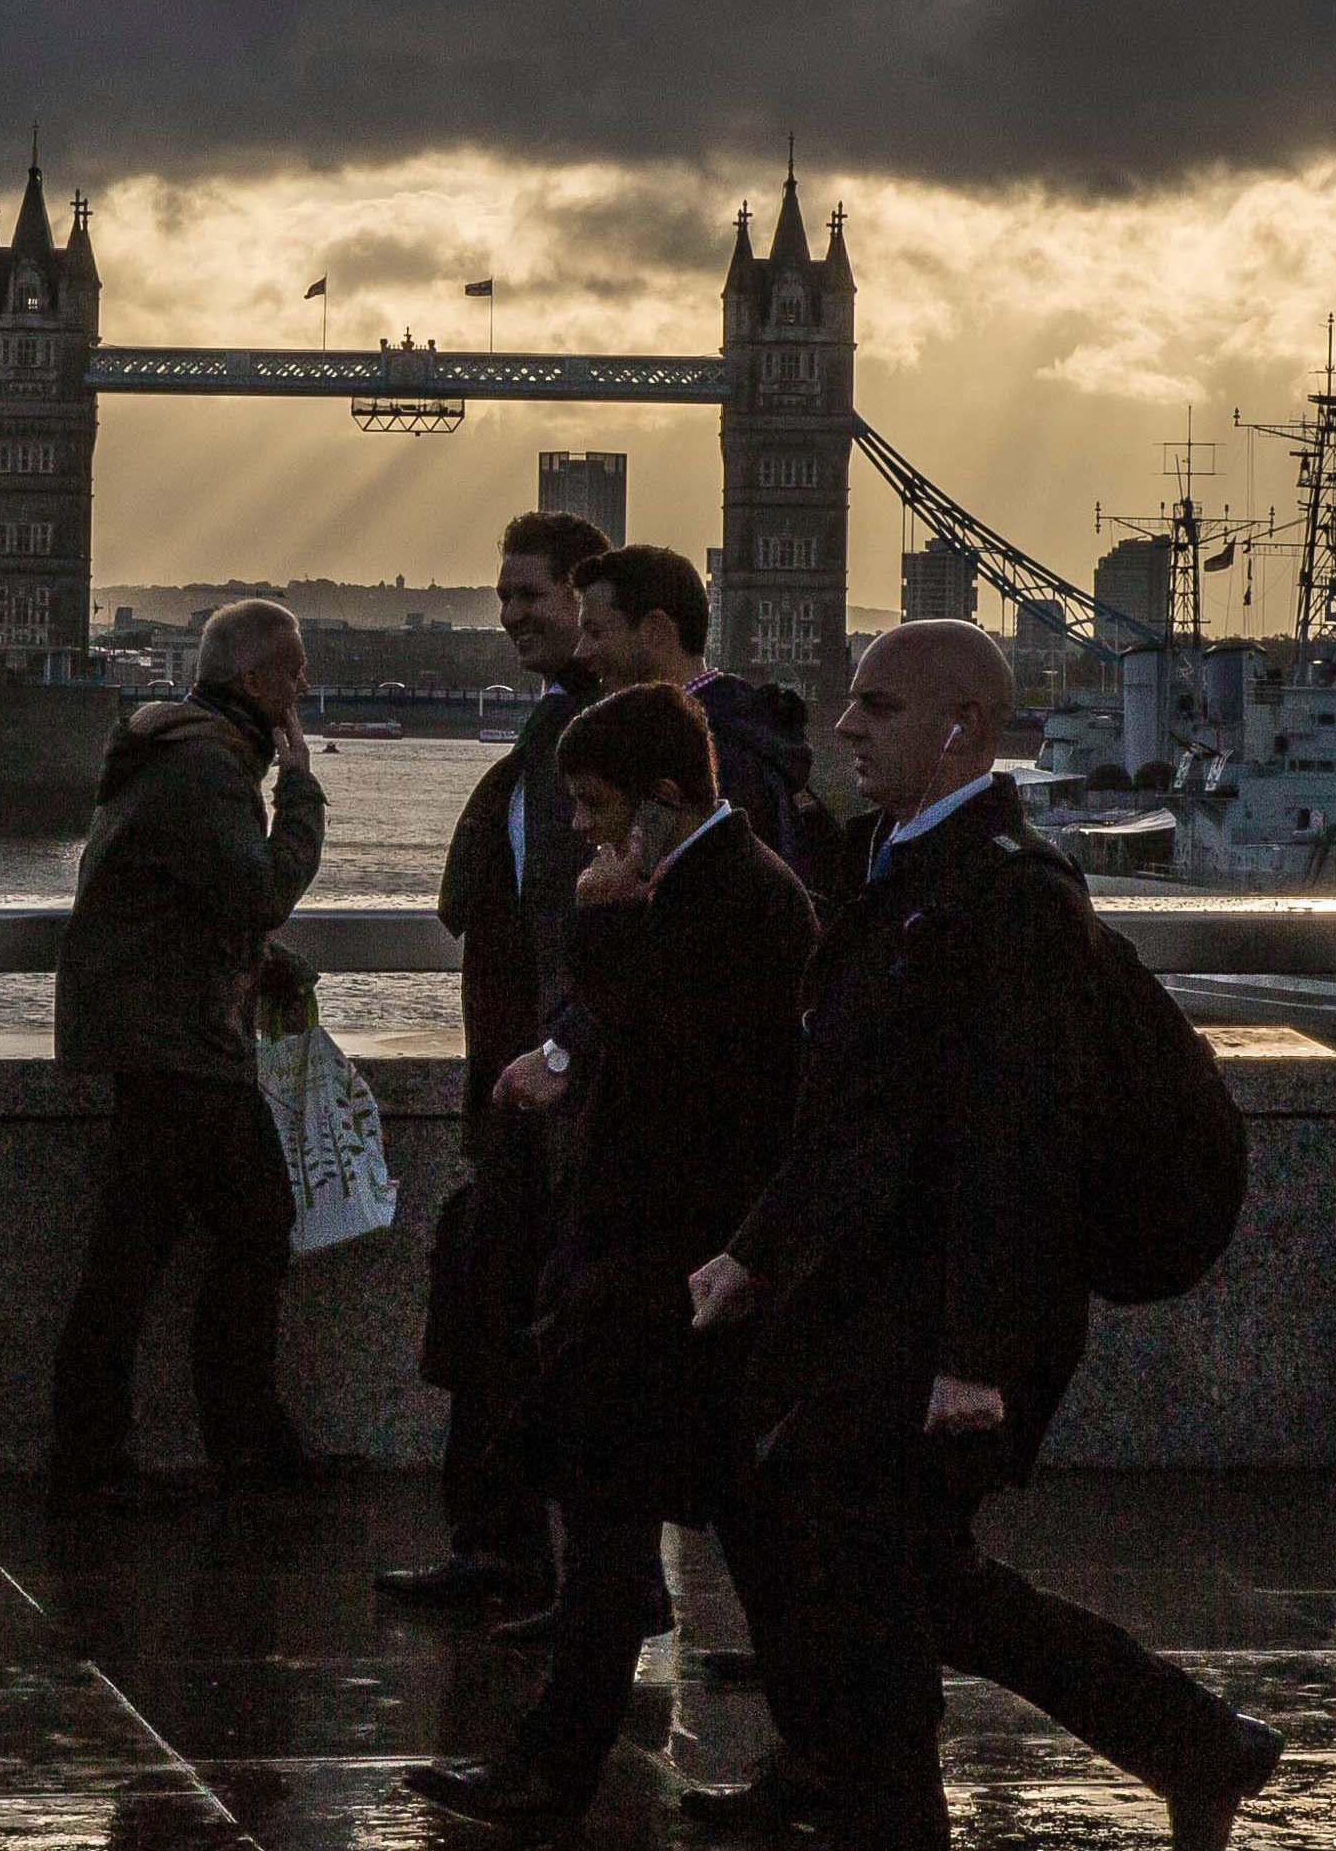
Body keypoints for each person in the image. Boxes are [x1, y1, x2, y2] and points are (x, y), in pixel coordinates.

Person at [686, 621, 1278, 1851]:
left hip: (945, 1308)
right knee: (900, 1565)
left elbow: (1021, 1145)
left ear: (961, 727)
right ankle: (1186, 1743)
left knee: (857, 1543)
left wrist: (977, 1355)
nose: (844, 724)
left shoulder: (1008, 900)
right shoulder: (895, 870)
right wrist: (751, 1247)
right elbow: (849, 1111)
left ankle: (885, 1810)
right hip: (870, 1290)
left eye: (876, 704)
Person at [403, 683, 812, 1838]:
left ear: (664, 798)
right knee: (712, 1527)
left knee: (628, 1525)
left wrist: (595, 921)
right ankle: (823, 1749)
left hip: (668, 1266)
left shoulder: (724, 901)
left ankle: (555, 1769)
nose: (580, 827)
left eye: (593, 805)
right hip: (667, 1266)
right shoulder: (712, 885)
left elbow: (666, 1055)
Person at [48, 598, 327, 1500]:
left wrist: (262, 962)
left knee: (131, 1253)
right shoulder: (210, 766)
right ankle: (246, 1441)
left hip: (147, 1029)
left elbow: (177, 895)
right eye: (293, 671)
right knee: (256, 1223)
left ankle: (94, 1454)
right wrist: (302, 786)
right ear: (255, 681)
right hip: (182, 1044)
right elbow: (258, 890)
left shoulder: (171, 748)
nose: (304, 688)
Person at [383, 510, 602, 1609]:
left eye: (531, 595)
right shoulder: (554, 733)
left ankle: (521, 1554)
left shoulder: (597, 741)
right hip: (520, 1083)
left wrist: (561, 1053)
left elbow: (594, 938)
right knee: (491, 1292)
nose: (510, 614)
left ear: (588, 601)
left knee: (512, 1307)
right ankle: (529, 1550)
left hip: (556, 1093)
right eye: (502, 595)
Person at [570, 543, 837, 891]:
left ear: (655, 629)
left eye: (595, 632)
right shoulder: (745, 736)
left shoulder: (707, 760)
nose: (581, 652)